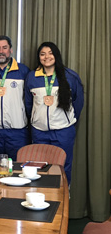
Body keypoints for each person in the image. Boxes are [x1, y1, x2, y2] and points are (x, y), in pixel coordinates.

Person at [25, 42, 84, 184]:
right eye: (42, 54)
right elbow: (28, 104)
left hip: (63, 131)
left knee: (64, 166)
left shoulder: (70, 76)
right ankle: (42, 197)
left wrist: (66, 120)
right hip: (39, 131)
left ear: (56, 55)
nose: (47, 57)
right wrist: (36, 120)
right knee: (40, 167)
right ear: (38, 57)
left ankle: (64, 198)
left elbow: (78, 103)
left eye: (50, 53)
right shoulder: (32, 77)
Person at [0, 35, 30, 161]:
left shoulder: (23, 71)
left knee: (18, 168)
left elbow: (29, 100)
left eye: (4, 47)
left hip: (17, 131)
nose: (1, 51)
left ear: (11, 50)